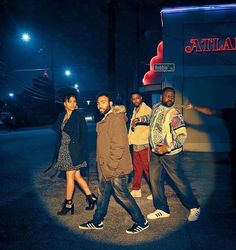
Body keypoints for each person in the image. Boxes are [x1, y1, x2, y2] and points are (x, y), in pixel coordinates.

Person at [79, 91, 149, 234]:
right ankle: (98, 221)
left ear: (110, 103)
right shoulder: (106, 119)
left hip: (115, 168)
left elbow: (119, 146)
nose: (100, 105)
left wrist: (110, 167)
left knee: (122, 195)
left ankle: (142, 221)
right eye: (98, 103)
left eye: (103, 102)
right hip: (105, 167)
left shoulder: (115, 119)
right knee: (103, 195)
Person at [132, 87, 200, 222]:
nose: (170, 98)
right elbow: (150, 118)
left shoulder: (174, 114)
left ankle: (194, 207)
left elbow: (182, 136)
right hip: (155, 152)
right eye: (167, 96)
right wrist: (138, 119)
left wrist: (167, 147)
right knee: (155, 180)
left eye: (172, 96)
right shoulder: (156, 107)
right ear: (161, 98)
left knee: (178, 181)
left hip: (171, 155)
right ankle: (162, 209)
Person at [53, 93, 97, 215]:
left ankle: (68, 204)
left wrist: (81, 152)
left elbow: (84, 136)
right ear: (65, 103)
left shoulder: (78, 116)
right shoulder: (62, 116)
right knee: (77, 176)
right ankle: (91, 198)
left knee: (70, 177)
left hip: (75, 151)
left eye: (74, 101)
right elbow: (59, 134)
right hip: (64, 150)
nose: (73, 103)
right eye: (70, 101)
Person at [186, 102, 236, 205]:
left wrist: (194, 107)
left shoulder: (231, 113)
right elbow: (210, 111)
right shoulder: (231, 113)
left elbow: (211, 111)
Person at [128, 91, 152, 199]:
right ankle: (136, 189)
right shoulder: (135, 110)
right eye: (133, 99)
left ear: (141, 98)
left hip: (144, 144)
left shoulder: (147, 109)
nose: (135, 100)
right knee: (137, 168)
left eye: (137, 98)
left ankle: (155, 191)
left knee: (148, 169)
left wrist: (138, 120)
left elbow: (149, 118)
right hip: (135, 143)